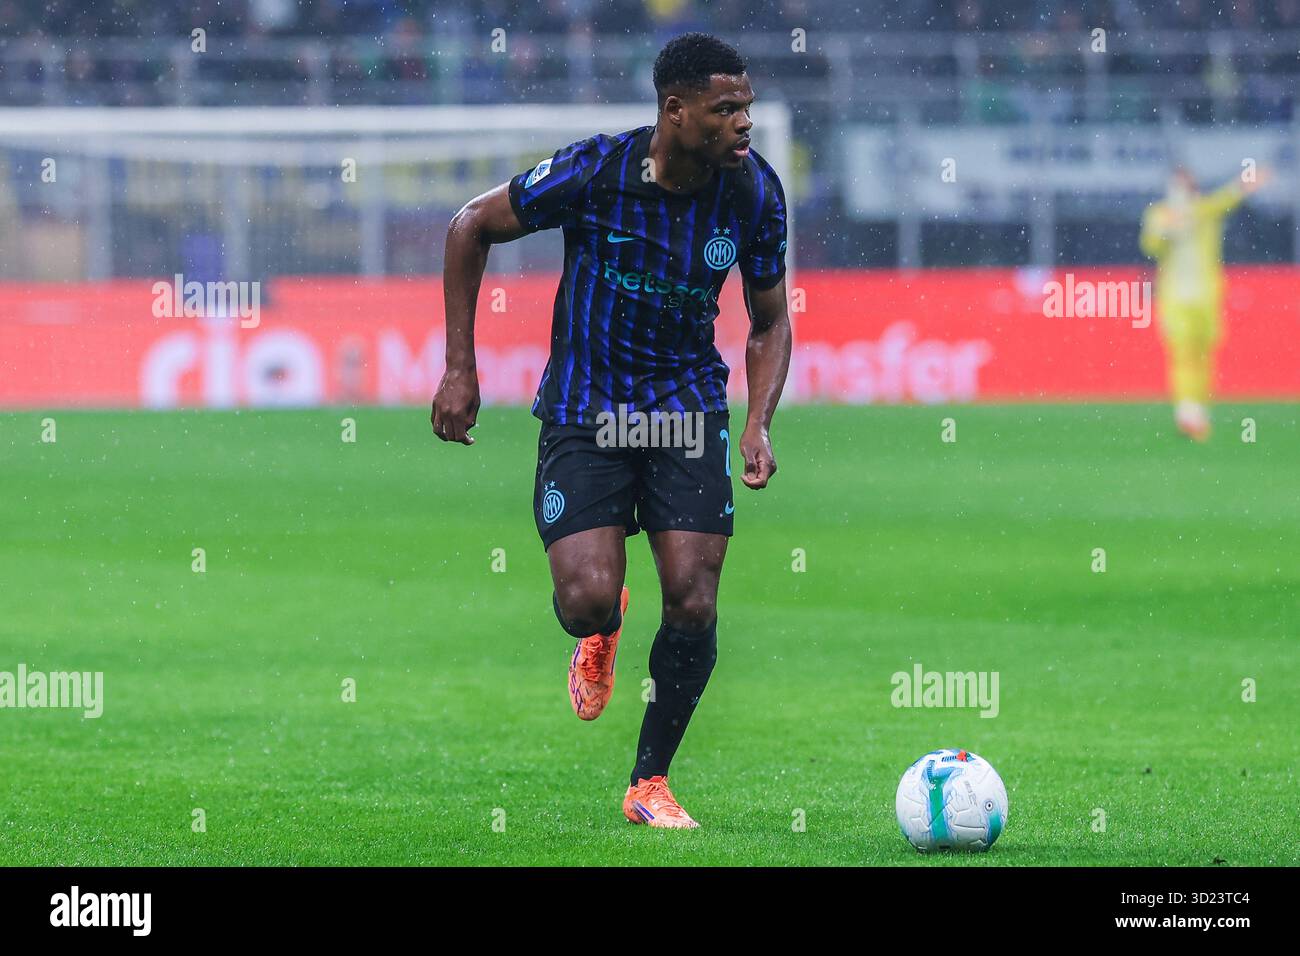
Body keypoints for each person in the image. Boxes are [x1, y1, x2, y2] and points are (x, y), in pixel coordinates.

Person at [430, 33, 792, 828]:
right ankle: (603, 628)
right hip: (587, 413)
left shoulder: (753, 193)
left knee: (694, 602)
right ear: (676, 109)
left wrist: (757, 423)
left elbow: (769, 321)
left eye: (748, 108)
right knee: (586, 600)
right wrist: (461, 368)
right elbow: (469, 226)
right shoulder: (596, 171)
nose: (744, 125)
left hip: (684, 412)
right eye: (725, 109)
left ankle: (649, 783)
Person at [1140, 165, 1270, 440]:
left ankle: (1197, 408)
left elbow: (1227, 198)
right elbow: (1150, 245)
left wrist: (1247, 183)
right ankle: (1186, 411)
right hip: (1175, 297)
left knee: (1204, 354)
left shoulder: (1203, 211)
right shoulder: (1160, 215)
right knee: (1183, 353)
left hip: (1206, 296)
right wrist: (1168, 229)